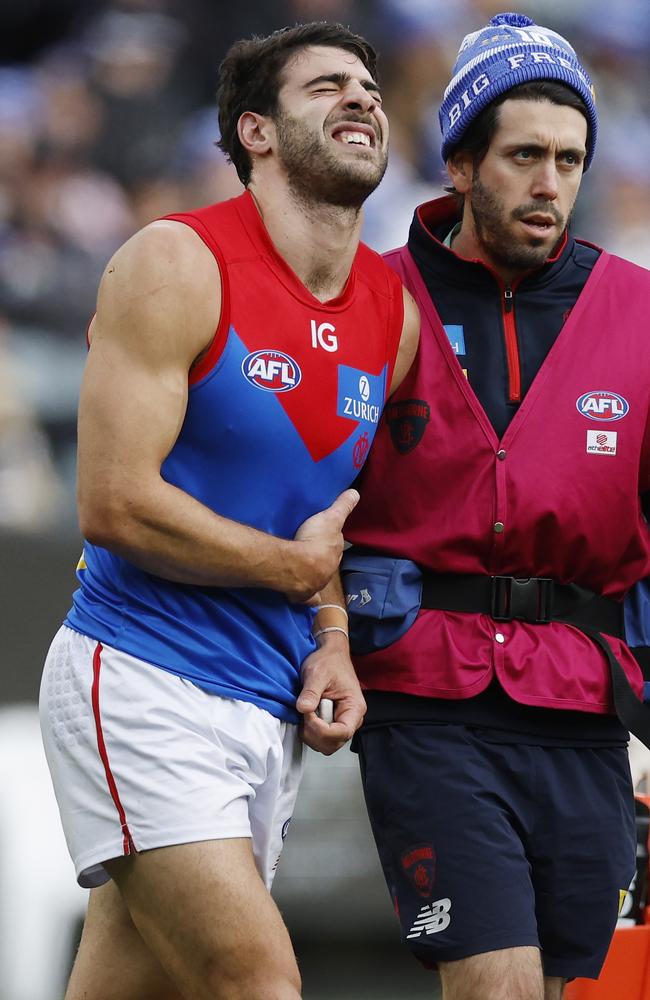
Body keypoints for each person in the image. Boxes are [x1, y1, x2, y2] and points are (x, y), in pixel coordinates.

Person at [39, 22, 419, 1000]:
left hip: (265, 705)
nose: (362, 99)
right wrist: (283, 572)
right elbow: (112, 502)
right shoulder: (176, 258)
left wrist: (329, 632)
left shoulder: (393, 309)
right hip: (142, 676)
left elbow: (321, 522)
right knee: (255, 979)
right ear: (254, 131)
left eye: (370, 88)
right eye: (326, 85)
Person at [336, 11, 650, 1000]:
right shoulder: (368, 303)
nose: (549, 181)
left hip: (583, 706)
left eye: (567, 157)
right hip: (427, 700)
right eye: (522, 155)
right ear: (461, 166)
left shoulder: (639, 312)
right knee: (496, 986)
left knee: (560, 991)